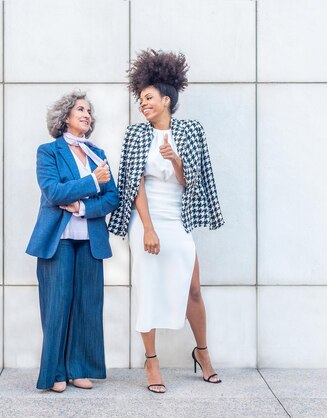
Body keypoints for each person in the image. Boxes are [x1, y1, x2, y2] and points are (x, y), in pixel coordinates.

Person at [108, 49, 224, 393]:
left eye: (149, 98)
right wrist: (147, 228)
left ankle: (202, 353)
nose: (143, 104)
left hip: (178, 218)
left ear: (167, 99)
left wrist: (175, 160)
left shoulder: (191, 131)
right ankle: (151, 360)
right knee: (148, 288)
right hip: (147, 219)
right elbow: (132, 183)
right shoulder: (135, 134)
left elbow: (195, 183)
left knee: (193, 289)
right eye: (140, 99)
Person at [26, 91, 118, 392]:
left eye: (89, 111)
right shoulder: (48, 151)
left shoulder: (97, 154)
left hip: (90, 239)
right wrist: (92, 182)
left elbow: (112, 198)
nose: (87, 115)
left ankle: (79, 369)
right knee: (57, 306)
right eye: (81, 109)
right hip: (58, 239)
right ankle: (56, 373)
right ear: (65, 116)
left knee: (87, 307)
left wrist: (81, 207)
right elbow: (53, 192)